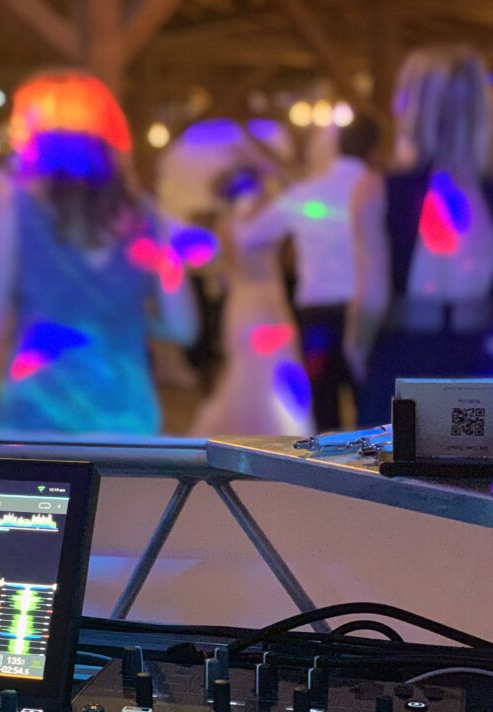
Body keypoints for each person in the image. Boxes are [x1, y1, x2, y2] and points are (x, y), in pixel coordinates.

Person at [0, 71, 198, 434]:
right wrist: (131, 318)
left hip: (37, 420)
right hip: (126, 424)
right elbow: (183, 328)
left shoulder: (14, 208)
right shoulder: (146, 216)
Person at [346, 45, 493, 426]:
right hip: (479, 352)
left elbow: (372, 295)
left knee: (395, 460)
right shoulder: (485, 191)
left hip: (406, 350)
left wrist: (356, 347)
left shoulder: (378, 190)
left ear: (411, 106)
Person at [235, 118, 380, 431]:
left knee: (324, 404)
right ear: (374, 151)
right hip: (367, 310)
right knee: (372, 405)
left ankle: (330, 462)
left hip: (318, 314)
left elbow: (248, 237)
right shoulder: (379, 190)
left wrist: (253, 198)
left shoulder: (305, 193)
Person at [191, 166, 316, 436]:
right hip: (264, 303)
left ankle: (254, 430)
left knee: (253, 369)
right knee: (271, 370)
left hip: (243, 303)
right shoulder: (259, 220)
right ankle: (275, 432)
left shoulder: (229, 223)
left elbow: (225, 272)